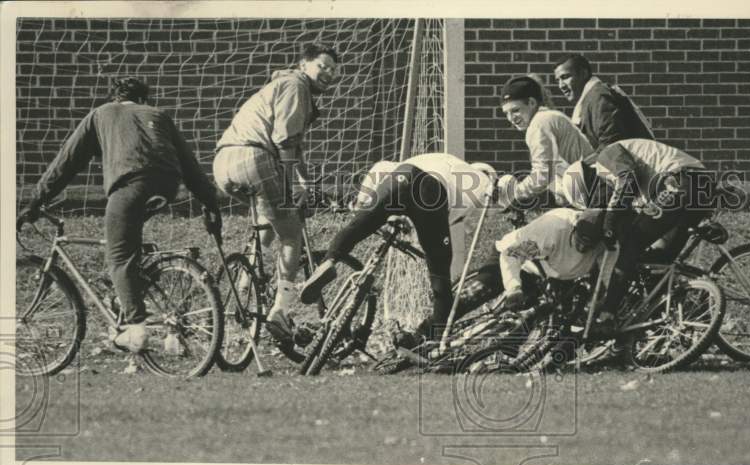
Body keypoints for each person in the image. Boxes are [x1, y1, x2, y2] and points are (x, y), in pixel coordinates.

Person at [16, 77, 223, 353]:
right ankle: (147, 302)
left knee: (119, 256)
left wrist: (35, 202)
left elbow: (66, 163)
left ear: (114, 98)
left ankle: (136, 328)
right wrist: (211, 205)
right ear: (144, 100)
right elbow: (191, 166)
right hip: (168, 185)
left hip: (129, 187)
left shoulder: (101, 113)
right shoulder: (158, 115)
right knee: (129, 243)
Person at [299, 153, 496, 348]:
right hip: (431, 191)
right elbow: (450, 220)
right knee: (440, 272)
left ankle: (329, 261)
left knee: (357, 227)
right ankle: (436, 341)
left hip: (400, 175)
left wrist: (363, 204)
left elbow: (381, 166)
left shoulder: (439, 157)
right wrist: (415, 232)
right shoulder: (481, 183)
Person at [213, 43, 339, 346]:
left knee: (271, 220)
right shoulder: (295, 85)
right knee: (292, 233)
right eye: (322, 65)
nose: (328, 73)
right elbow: (284, 141)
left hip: (223, 164)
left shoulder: (282, 86)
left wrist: (306, 182)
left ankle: (246, 284)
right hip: (255, 158)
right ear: (303, 64)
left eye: (333, 70)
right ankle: (280, 310)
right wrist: (294, 186)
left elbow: (294, 146)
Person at [561, 138, 711, 336]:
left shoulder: (606, 156)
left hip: (678, 182)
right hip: (700, 185)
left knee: (632, 243)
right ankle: (690, 318)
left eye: (594, 198)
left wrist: (610, 221)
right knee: (660, 262)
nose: (601, 201)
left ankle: (607, 316)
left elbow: (628, 178)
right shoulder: (634, 182)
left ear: (590, 180)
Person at [495, 75, 594, 210]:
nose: (511, 118)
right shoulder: (547, 117)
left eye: (515, 110)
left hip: (590, 191)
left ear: (531, 102)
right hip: (588, 188)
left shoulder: (539, 123)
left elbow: (542, 175)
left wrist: (514, 195)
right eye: (506, 113)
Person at [496, 207, 614, 309]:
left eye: (589, 246)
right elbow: (513, 254)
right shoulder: (553, 228)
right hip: (516, 263)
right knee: (480, 290)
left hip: (557, 276)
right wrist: (513, 288)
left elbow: (608, 274)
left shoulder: (606, 244)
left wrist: (604, 302)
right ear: (574, 227)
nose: (582, 248)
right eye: (579, 241)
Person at [553, 54, 655, 155]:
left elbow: (611, 144)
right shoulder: (592, 97)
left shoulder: (599, 97)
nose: (561, 86)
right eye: (558, 80)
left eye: (565, 77)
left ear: (583, 73)